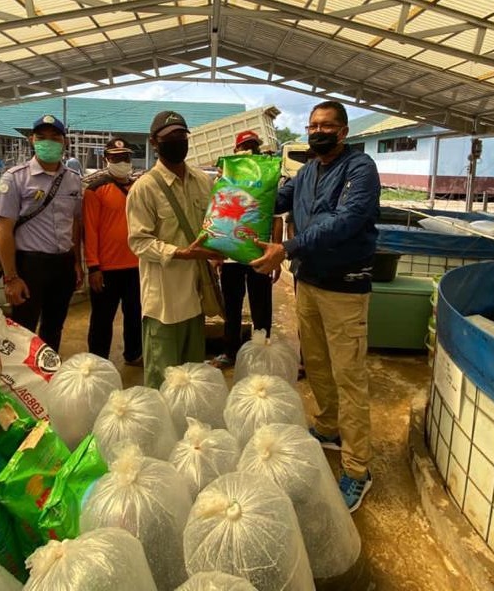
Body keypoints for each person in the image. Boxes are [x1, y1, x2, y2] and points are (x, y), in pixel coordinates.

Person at [251, 101, 381, 512]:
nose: (317, 131)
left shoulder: (359, 170)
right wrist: (232, 197)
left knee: (349, 377)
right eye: (311, 125)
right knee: (320, 367)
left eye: (325, 126)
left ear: (343, 132)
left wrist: (286, 247)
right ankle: (328, 428)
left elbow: (345, 221)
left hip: (344, 287)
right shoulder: (307, 172)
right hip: (308, 282)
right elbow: (273, 198)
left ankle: (358, 469)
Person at [126, 110, 224, 389]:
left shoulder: (203, 180)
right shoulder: (144, 188)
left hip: (196, 296)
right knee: (163, 381)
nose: (178, 141)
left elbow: (213, 225)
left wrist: (220, 249)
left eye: (182, 135)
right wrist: (182, 253)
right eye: (169, 137)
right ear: (154, 142)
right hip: (164, 302)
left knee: (192, 378)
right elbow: (139, 242)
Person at [0, 114, 86, 351]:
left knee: (54, 328)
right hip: (29, 266)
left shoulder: (73, 180)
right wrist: (11, 278)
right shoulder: (15, 178)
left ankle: (47, 376)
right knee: (23, 330)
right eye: (42, 137)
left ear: (64, 142)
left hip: (63, 264)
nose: (49, 142)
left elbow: (75, 223)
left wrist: (76, 262)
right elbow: (4, 230)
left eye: (55, 137)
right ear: (32, 140)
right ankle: (23, 384)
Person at [213, 130, 277, 367]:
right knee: (232, 307)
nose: (249, 151)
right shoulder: (223, 178)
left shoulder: (269, 176)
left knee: (262, 307)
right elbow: (217, 215)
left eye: (253, 146)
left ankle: (261, 353)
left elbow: (277, 217)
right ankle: (230, 352)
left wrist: (276, 254)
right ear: (235, 151)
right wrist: (218, 254)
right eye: (244, 147)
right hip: (231, 256)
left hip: (260, 256)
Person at [81, 137, 142, 366]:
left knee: (135, 315)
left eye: (125, 157)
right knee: (102, 319)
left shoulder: (138, 188)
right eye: (116, 158)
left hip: (136, 266)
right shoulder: (95, 190)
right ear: (106, 159)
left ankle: (134, 353)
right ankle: (98, 361)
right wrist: (93, 267)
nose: (121, 161)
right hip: (106, 269)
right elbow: (90, 230)